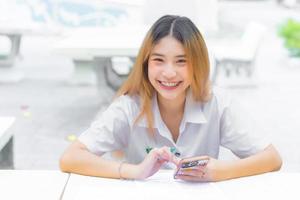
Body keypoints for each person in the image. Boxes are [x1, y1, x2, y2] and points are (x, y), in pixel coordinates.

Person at [60, 15, 282, 182]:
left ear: (198, 64)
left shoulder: (218, 103)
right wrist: (134, 171)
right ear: (146, 63)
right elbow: (70, 158)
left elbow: (272, 158)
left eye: (181, 61)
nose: (168, 73)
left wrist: (219, 171)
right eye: (158, 60)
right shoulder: (129, 107)